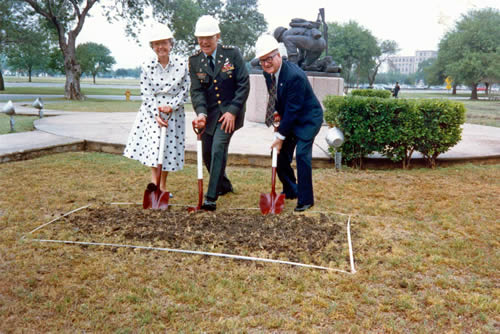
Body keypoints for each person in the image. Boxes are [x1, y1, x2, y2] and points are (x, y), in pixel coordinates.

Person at [255, 35, 323, 212]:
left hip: (308, 119)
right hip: (290, 117)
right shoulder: (267, 73)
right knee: (278, 154)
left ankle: (306, 199)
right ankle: (291, 189)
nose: (266, 64)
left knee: (301, 155)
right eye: (262, 61)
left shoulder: (295, 76)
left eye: (269, 59)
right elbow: (275, 96)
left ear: (278, 55)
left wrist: (280, 135)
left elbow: (294, 110)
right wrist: (277, 116)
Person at [189, 15, 250, 211]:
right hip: (209, 115)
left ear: (218, 36)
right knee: (208, 154)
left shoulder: (232, 55)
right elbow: (197, 91)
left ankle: (210, 198)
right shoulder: (195, 61)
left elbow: (243, 84)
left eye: (208, 37)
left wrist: (233, 112)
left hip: (229, 113)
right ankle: (224, 185)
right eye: (200, 38)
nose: (204, 42)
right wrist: (200, 113)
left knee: (218, 148)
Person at [123, 24, 190, 193]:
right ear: (152, 46)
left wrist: (172, 106)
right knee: (154, 148)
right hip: (152, 111)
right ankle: (154, 185)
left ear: (170, 44)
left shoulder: (182, 64)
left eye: (164, 43)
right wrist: (156, 113)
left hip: (173, 112)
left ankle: (163, 186)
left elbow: (185, 89)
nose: (160, 47)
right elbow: (146, 92)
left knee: (167, 149)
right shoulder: (147, 65)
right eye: (156, 43)